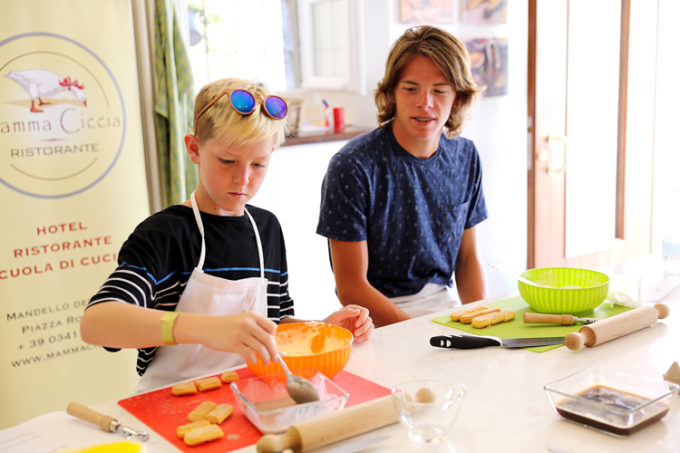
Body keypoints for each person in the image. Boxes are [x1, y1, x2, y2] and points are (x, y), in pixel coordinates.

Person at [80, 78, 373, 393]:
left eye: (258, 164)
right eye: (227, 161)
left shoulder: (266, 230)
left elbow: (272, 326)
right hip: (169, 399)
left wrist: (321, 329)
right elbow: (97, 323)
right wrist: (206, 329)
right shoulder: (165, 234)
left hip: (248, 395)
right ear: (194, 148)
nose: (243, 179)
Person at [316, 25, 488, 327]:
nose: (425, 103)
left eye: (439, 90)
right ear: (392, 92)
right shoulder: (352, 166)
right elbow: (351, 287)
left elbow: (467, 259)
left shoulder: (465, 156)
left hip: (443, 307)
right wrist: (418, 333)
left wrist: (483, 322)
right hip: (375, 319)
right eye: (411, 89)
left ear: (457, 97)